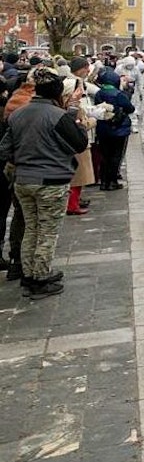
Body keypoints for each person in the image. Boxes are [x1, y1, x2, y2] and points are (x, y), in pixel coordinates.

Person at [0, 68, 88, 299]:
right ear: (57, 93)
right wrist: (76, 121)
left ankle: (28, 273)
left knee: (31, 227)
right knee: (47, 231)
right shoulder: (56, 115)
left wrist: (22, 160)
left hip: (24, 179)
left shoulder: (18, 114)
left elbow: (5, 149)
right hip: (51, 180)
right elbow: (79, 143)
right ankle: (40, 277)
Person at [95, 69, 136, 192]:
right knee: (116, 155)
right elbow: (130, 108)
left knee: (104, 155)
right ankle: (112, 181)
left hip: (103, 128)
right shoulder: (119, 94)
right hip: (119, 129)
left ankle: (103, 182)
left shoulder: (99, 93)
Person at [62, 78, 95, 216]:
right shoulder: (72, 107)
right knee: (78, 179)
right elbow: (80, 125)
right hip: (78, 146)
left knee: (76, 179)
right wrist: (93, 121)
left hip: (72, 146)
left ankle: (73, 203)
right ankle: (72, 205)